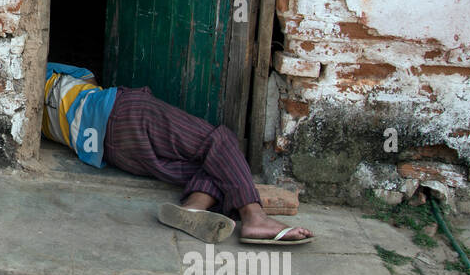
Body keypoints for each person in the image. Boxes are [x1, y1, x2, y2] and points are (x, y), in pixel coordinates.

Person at [44, 63, 314, 245]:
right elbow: (89, 77)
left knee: (211, 168)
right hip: (122, 112)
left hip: (111, 152)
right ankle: (255, 217)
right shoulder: (48, 68)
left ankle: (194, 206)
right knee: (219, 141)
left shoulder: (34, 112)